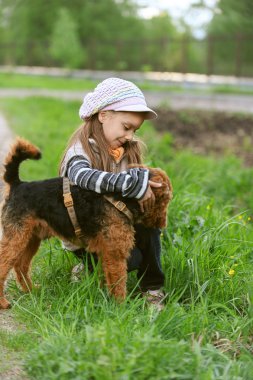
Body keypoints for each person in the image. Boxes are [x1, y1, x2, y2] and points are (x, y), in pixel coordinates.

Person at [59, 77, 166, 310]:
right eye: (126, 127)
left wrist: (146, 183)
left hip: (116, 223)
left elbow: (132, 180)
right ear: (103, 115)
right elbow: (82, 177)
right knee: (132, 260)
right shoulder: (79, 150)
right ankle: (88, 266)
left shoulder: (125, 149)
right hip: (86, 234)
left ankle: (153, 288)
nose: (129, 135)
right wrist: (129, 184)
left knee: (149, 224)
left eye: (135, 130)